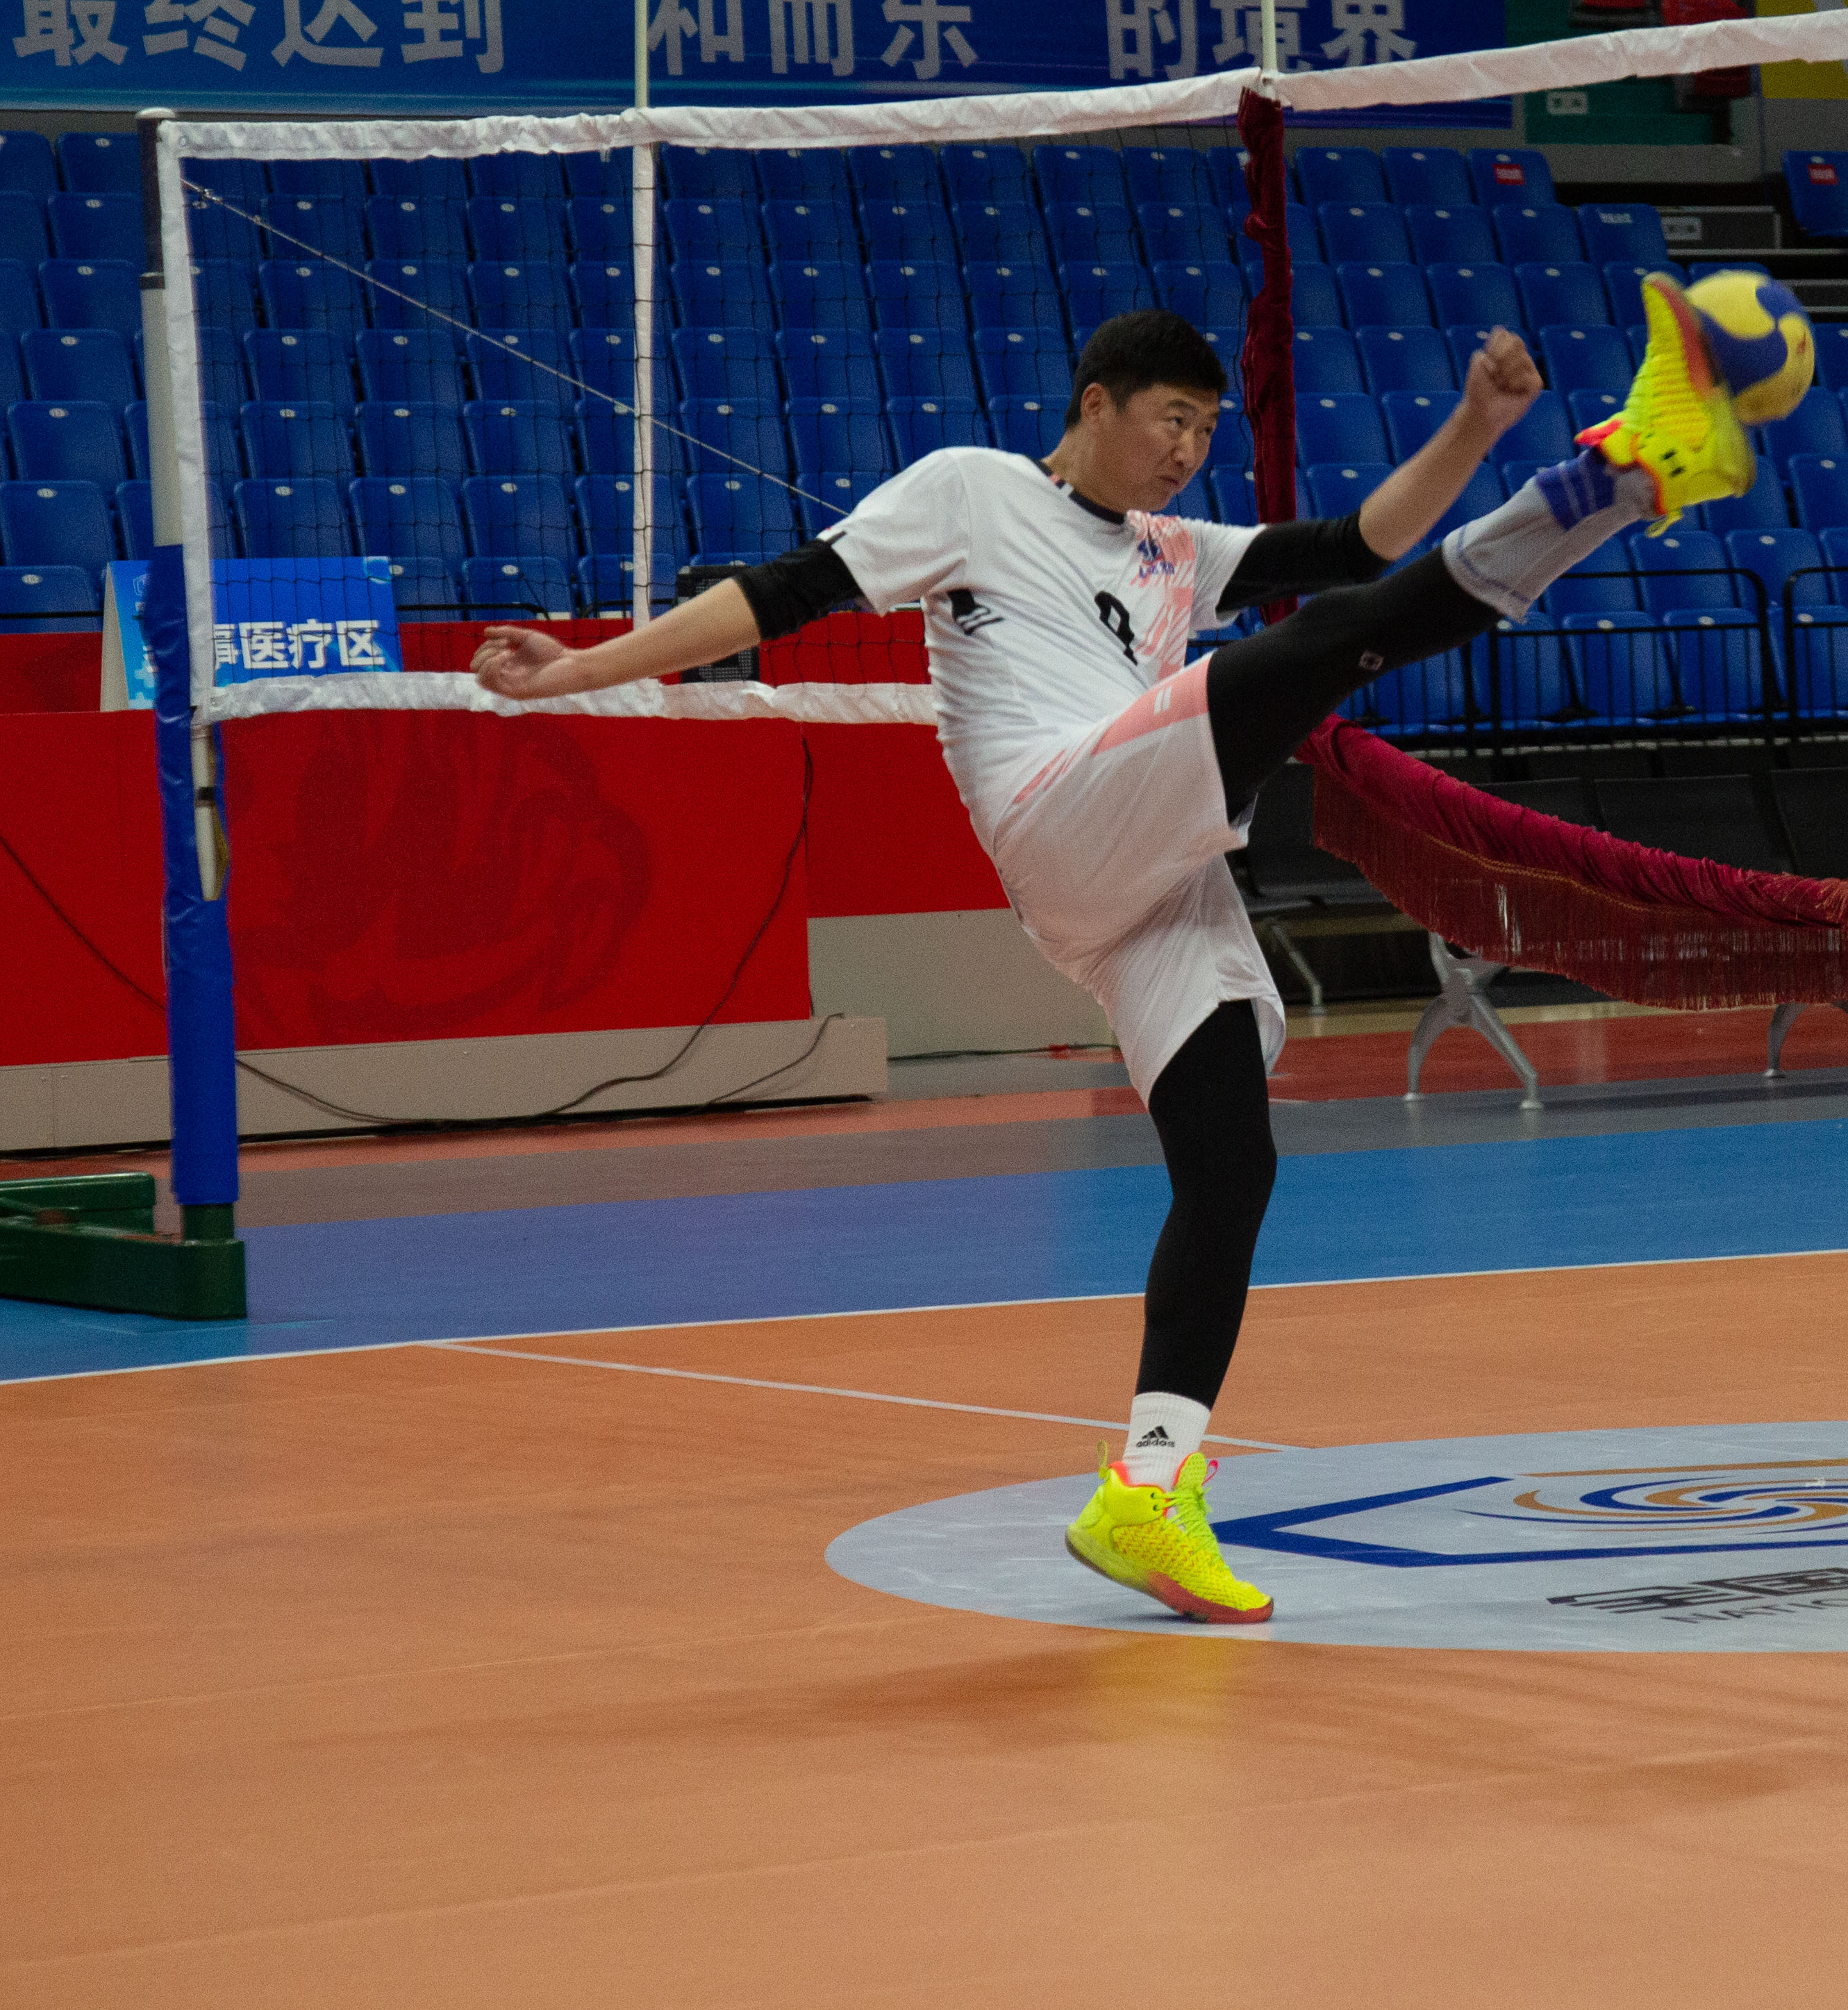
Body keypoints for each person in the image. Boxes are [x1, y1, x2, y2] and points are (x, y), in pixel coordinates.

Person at [472, 288, 1763, 1626]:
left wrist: (1470, 423)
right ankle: (1618, 475)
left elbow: (1360, 541)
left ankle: (1147, 1491)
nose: (1185, 449)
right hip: (1059, 810)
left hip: (1148, 880)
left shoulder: (1171, 550)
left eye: (1205, 427)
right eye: (1168, 420)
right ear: (1095, 404)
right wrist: (586, 671)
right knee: (1313, 656)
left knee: (1232, 1167)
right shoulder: (969, 490)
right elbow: (782, 593)